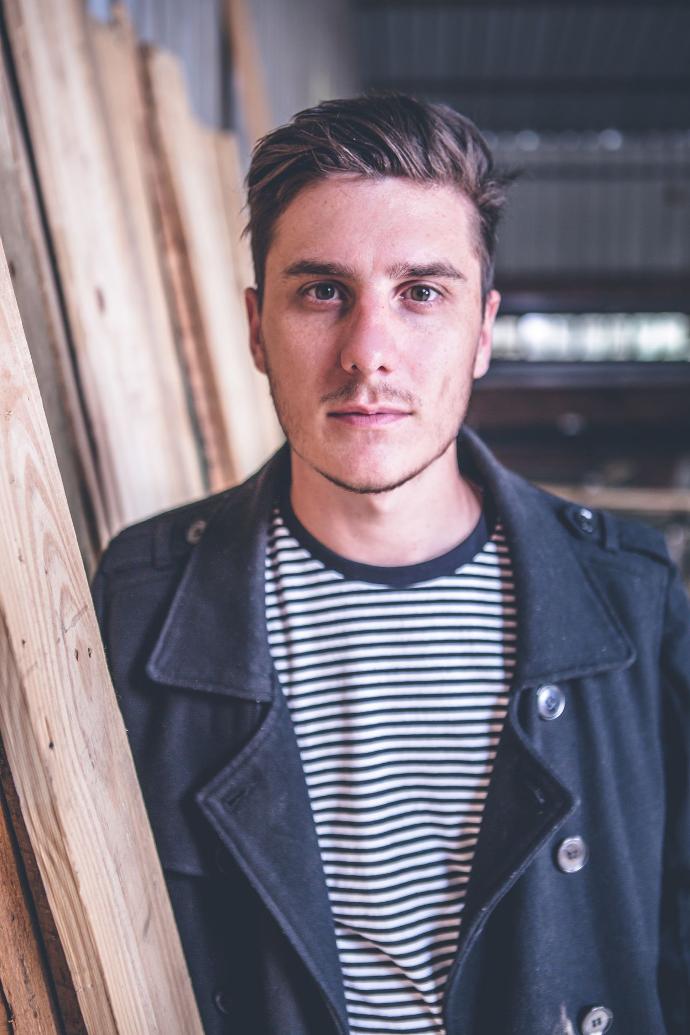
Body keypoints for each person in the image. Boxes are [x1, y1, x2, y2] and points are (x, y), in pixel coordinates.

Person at [92, 94, 690, 1035]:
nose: (369, 352)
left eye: (422, 292)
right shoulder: (145, 602)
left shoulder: (631, 596)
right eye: (322, 290)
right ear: (256, 328)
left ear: (483, 330)